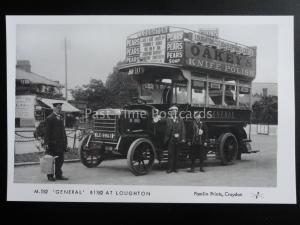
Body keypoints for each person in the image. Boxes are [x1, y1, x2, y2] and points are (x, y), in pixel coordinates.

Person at [44, 102, 68, 181]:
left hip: (60, 143)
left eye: (60, 107)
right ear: (53, 108)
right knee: (50, 160)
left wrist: (65, 141)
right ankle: (50, 176)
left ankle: (58, 175)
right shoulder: (50, 118)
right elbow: (47, 132)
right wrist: (46, 143)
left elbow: (63, 131)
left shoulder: (61, 117)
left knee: (60, 160)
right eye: (58, 107)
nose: (59, 109)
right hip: (52, 143)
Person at [163, 105, 186, 173]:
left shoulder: (180, 120)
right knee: (170, 154)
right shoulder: (168, 119)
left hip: (178, 140)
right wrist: (156, 119)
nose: (174, 112)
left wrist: (183, 138)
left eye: (175, 111)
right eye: (172, 111)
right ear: (171, 112)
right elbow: (161, 120)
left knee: (177, 154)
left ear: (177, 112)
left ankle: (175, 168)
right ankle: (170, 169)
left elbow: (183, 130)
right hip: (171, 139)